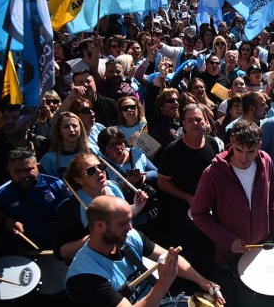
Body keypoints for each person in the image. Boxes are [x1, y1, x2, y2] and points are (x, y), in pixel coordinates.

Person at [65, 195, 224, 307]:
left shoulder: (129, 237)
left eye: (130, 220)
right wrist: (163, 283)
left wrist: (203, 281)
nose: (130, 227)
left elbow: (168, 256)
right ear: (99, 226)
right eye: (123, 223)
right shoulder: (84, 276)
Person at [191, 120, 274, 305]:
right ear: (232, 142)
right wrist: (229, 240)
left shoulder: (266, 161)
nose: (243, 158)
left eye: (250, 152)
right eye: (238, 149)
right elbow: (199, 214)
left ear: (259, 146)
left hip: (259, 250)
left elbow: (272, 197)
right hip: (228, 258)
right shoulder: (213, 173)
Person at [157, 103, 221, 291]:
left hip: (209, 215)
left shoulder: (212, 143)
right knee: (189, 260)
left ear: (205, 121)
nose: (195, 123)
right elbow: (162, 182)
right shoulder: (172, 150)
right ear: (183, 124)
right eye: (190, 120)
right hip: (183, 219)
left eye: (198, 119)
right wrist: (188, 198)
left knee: (208, 258)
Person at [53, 153, 148, 263]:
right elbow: (62, 253)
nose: (99, 171)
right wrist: (94, 237)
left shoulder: (113, 186)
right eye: (91, 171)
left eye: (100, 166)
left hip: (126, 252)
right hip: (95, 263)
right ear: (79, 180)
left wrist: (136, 207)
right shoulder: (69, 208)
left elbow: (119, 221)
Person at [0, 148, 69, 251]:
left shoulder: (56, 185)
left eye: (28, 169)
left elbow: (71, 214)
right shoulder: (1, 195)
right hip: (24, 253)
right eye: (18, 171)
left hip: (60, 248)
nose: (24, 175)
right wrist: (6, 220)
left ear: (37, 167)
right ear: (9, 170)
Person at [0, 104, 51, 189]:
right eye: (6, 118)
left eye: (15, 118)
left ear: (28, 123)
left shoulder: (41, 143)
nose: (9, 122)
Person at [39, 112, 92, 178]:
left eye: (74, 126)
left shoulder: (92, 150)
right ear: (59, 131)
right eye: (66, 127)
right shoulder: (49, 159)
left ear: (81, 128)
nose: (71, 130)